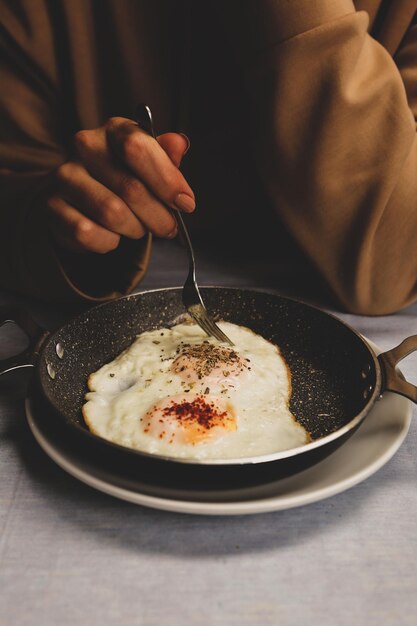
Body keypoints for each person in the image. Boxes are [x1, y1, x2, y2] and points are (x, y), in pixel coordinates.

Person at [0, 0, 417, 314]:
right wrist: (69, 220)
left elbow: (391, 271)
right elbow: (15, 211)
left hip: (347, 339)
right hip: (103, 320)